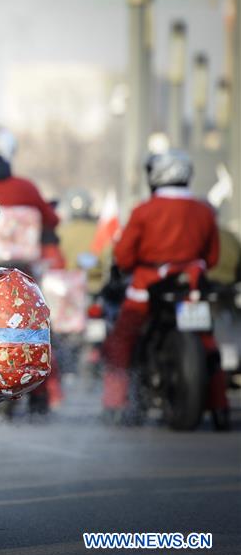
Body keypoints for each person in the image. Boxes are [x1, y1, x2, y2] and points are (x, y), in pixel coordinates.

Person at [101, 150, 228, 427]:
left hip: (148, 286)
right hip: (192, 286)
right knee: (208, 343)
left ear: (156, 176)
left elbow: (123, 257)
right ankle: (220, 406)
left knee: (122, 339)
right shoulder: (204, 211)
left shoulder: (144, 210)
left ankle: (116, 403)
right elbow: (213, 257)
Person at [0, 129, 64, 411]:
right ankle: (43, 394)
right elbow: (51, 219)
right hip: (23, 273)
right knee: (41, 326)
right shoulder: (26, 188)